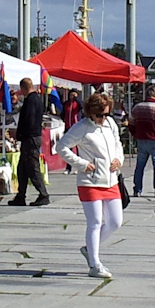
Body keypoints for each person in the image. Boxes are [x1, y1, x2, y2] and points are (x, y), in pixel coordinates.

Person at [56, 93, 126, 279]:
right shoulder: (82, 128)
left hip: (111, 179)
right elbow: (61, 147)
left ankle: (89, 249)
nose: (103, 119)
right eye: (100, 115)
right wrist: (81, 164)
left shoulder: (110, 123)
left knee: (115, 222)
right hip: (90, 181)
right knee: (95, 222)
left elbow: (118, 144)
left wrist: (119, 159)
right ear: (91, 113)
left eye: (106, 114)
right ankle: (94, 264)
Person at [8, 77, 52, 206]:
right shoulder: (34, 99)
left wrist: (22, 134)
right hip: (30, 137)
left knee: (33, 168)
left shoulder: (32, 100)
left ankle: (43, 194)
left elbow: (30, 120)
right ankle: (20, 195)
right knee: (22, 168)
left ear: (24, 88)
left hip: (31, 138)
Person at [128, 86, 155, 197]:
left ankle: (137, 190)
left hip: (141, 139)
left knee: (140, 166)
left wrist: (135, 134)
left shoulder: (137, 107)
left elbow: (130, 123)